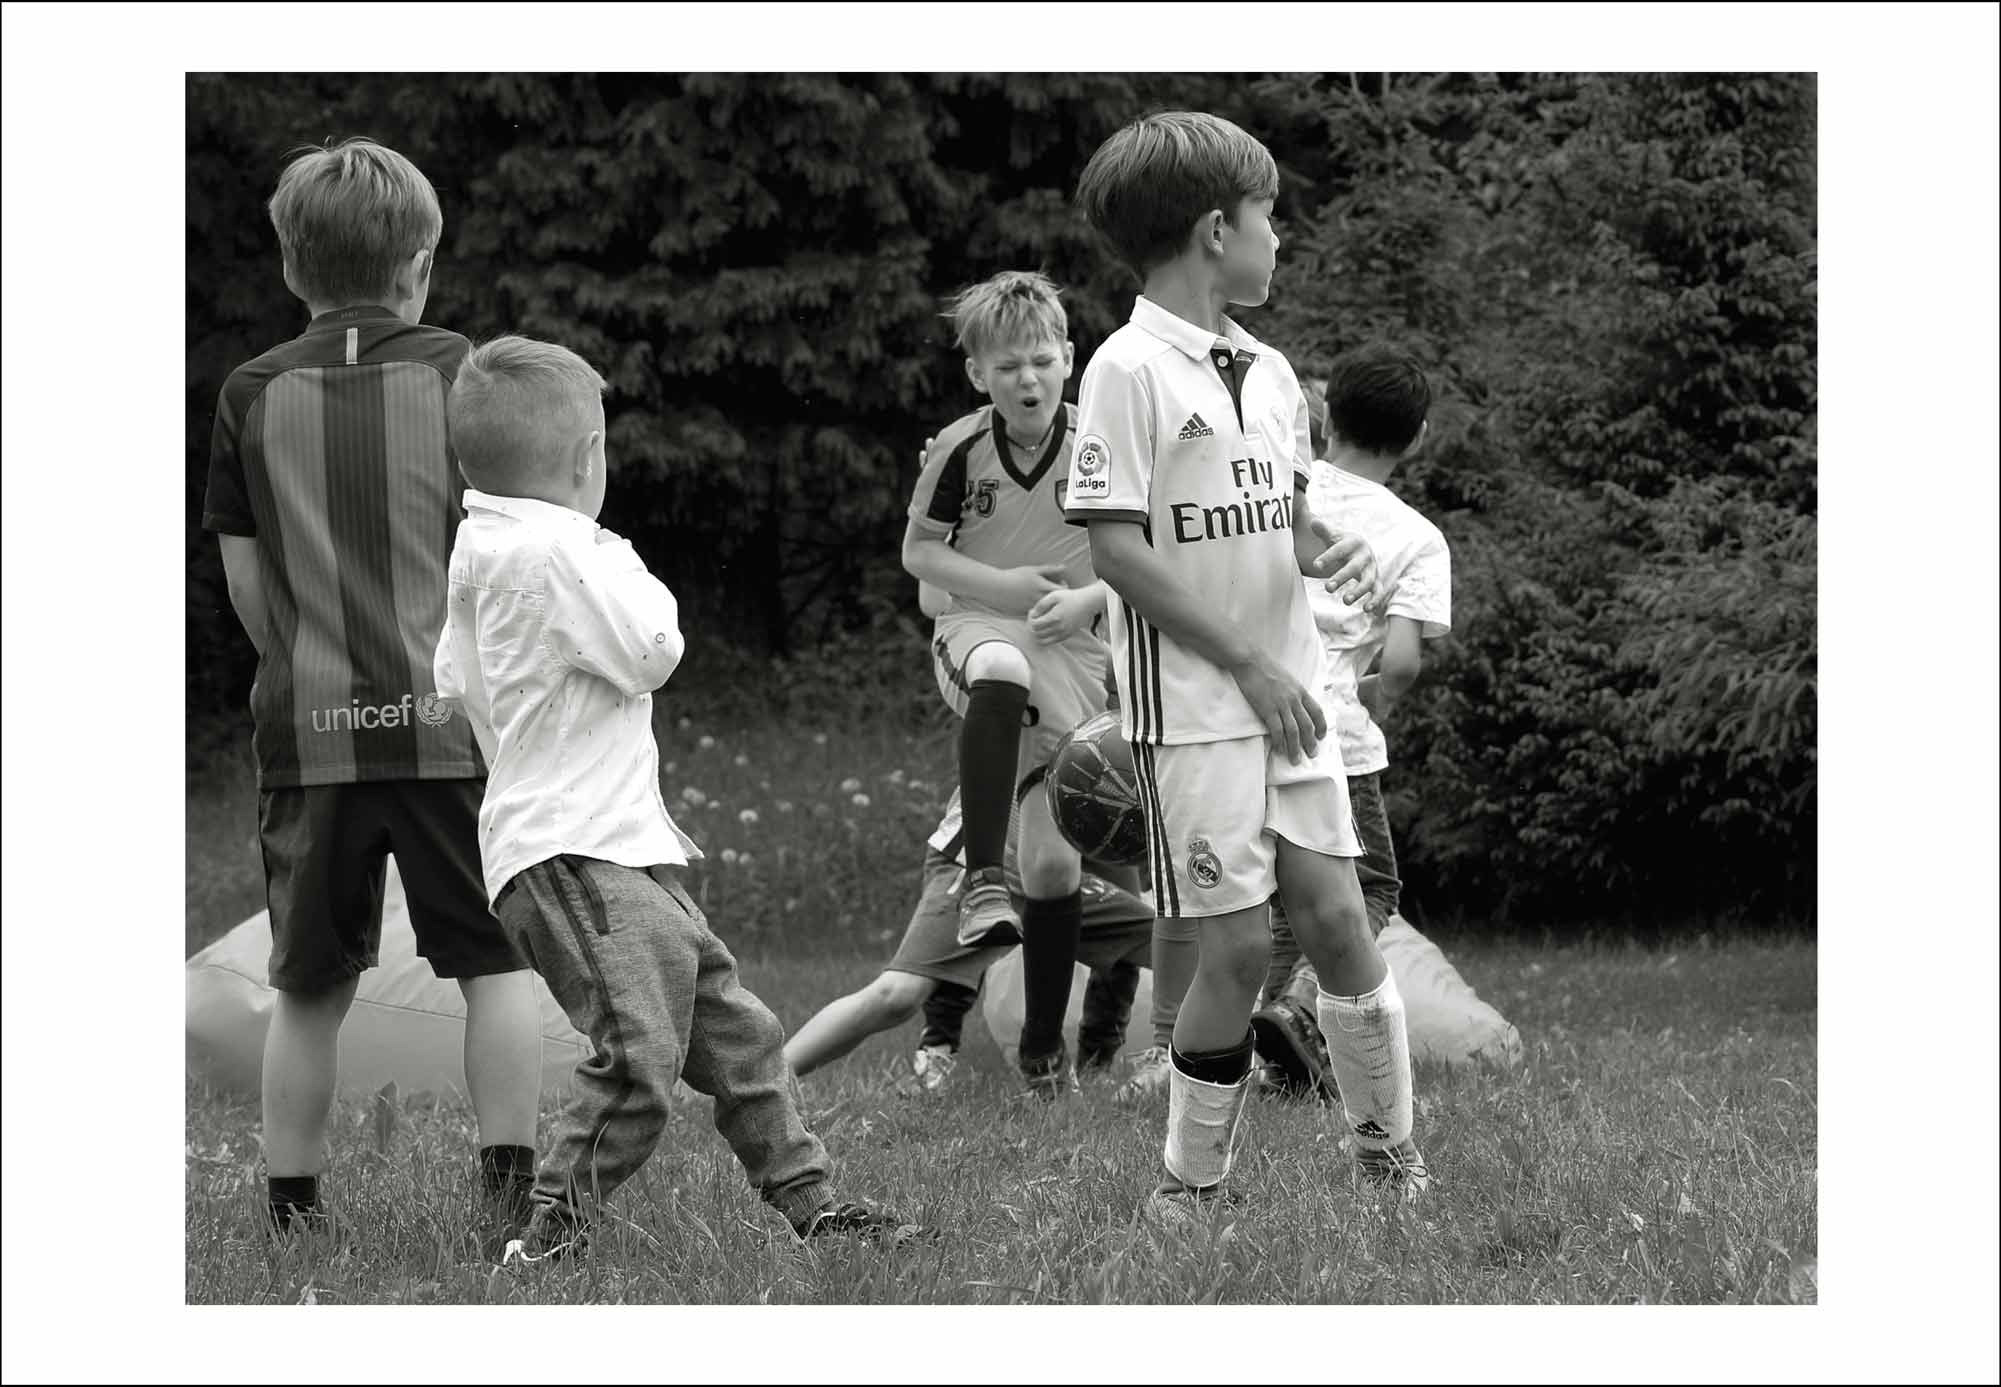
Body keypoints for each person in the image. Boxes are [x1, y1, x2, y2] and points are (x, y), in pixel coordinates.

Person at [433, 335, 923, 1263]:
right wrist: (614, 552)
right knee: (637, 1058)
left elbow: (454, 680)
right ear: (588, 456)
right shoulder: (562, 551)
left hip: (605, 848)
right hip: (576, 853)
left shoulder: (479, 547)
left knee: (739, 1032)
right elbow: (655, 649)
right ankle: (547, 1240)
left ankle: (814, 1203)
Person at [1065, 111, 1430, 1225]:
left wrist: (1328, 551)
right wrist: (1249, 666)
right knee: (1229, 952)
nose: (1282, 236)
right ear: (1215, 231)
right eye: (1270, 215)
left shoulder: (1270, 372)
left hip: (1295, 700)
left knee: (1338, 921)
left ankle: (1391, 1161)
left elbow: (1285, 516)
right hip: (1198, 713)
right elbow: (1115, 551)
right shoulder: (1125, 369)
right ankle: (1189, 1189)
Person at [201, 138, 542, 1241]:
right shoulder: (462, 375)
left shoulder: (250, 394)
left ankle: (293, 1211)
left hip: (312, 737)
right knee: (494, 963)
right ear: (421, 265)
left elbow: (247, 588)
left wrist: (308, 663)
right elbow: (507, 549)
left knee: (308, 986)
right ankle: (509, 1200)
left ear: (290, 264)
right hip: (451, 733)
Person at [902, 270, 1115, 1097]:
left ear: (1069, 357)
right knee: (1002, 668)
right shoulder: (958, 450)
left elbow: (1147, 550)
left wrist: (1087, 600)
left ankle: (1042, 1056)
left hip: (1073, 653)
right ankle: (983, 882)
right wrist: (1006, 589)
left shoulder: (1101, 442)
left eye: (1041, 361)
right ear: (976, 374)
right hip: (976, 631)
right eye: (1007, 367)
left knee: (1057, 869)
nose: (1027, 379)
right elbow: (920, 556)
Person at [1253, 350, 1451, 1099]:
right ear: (1419, 437)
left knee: (1286, 902)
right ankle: (1301, 1007)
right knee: (1371, 888)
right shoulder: (1417, 537)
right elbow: (1401, 662)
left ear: (1326, 416)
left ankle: (1275, 1060)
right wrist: (1379, 700)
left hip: (1258, 713)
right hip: (1339, 733)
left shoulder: (1281, 490)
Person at [783, 774, 1150, 1086]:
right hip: (981, 858)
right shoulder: (1022, 717)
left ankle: (1105, 1071)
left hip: (1066, 859)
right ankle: (766, 1082)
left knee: (1165, 944)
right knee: (898, 995)